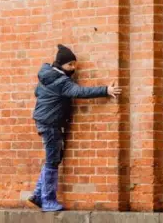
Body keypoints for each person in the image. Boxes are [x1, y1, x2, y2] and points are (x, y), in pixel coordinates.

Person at [27, 44, 121, 212]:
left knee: (53, 158)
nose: (73, 68)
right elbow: (79, 91)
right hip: (50, 123)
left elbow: (37, 93)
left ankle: (37, 195)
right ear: (61, 64)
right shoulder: (61, 81)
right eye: (70, 65)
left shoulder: (47, 76)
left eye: (74, 65)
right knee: (53, 160)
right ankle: (48, 201)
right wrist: (106, 90)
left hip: (44, 121)